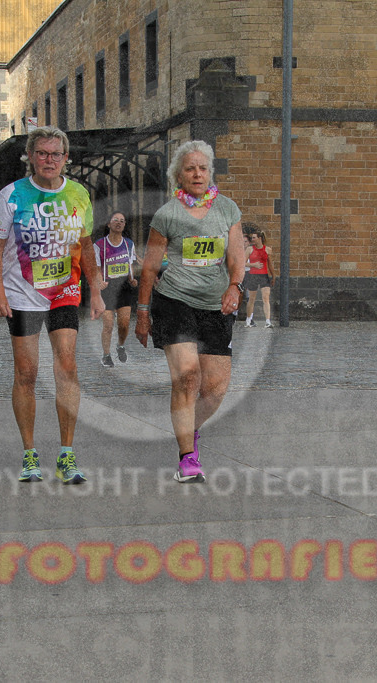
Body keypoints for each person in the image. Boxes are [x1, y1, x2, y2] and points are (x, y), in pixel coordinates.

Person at [0, 126, 105, 485]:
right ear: (31, 157)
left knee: (67, 366)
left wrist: (96, 290)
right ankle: (29, 453)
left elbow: (85, 245)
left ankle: (66, 454)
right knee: (26, 371)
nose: (49, 160)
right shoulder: (12, 195)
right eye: (42, 153)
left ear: (66, 158)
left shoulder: (79, 194)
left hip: (64, 290)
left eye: (56, 154)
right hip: (22, 293)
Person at [134, 140, 245, 483]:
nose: (197, 174)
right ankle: (187, 459)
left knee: (214, 389)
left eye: (202, 168)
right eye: (189, 168)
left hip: (216, 305)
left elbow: (237, 256)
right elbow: (151, 267)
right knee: (187, 376)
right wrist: (142, 312)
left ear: (209, 172)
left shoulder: (227, 209)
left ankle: (189, 429)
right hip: (174, 301)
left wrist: (235, 285)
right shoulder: (168, 214)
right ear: (178, 176)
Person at [93, 211, 138, 367]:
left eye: (122, 221)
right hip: (107, 287)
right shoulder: (99, 245)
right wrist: (100, 282)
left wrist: (132, 279)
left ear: (124, 225)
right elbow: (97, 268)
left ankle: (120, 345)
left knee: (124, 324)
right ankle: (106, 355)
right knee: (108, 324)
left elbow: (130, 264)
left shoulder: (128, 244)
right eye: (116, 220)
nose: (119, 222)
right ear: (109, 224)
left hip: (124, 287)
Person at [244, 228, 275, 328]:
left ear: (259, 238)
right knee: (252, 299)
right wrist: (253, 265)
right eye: (252, 238)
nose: (252, 240)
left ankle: (268, 321)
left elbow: (270, 264)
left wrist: (273, 276)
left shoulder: (267, 250)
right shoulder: (249, 249)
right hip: (252, 275)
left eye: (254, 238)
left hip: (264, 275)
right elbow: (243, 263)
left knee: (266, 298)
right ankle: (248, 320)